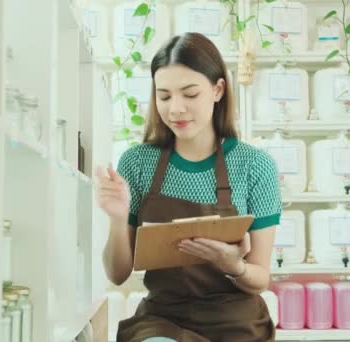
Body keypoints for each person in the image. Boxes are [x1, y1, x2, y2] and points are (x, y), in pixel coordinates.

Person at [96, 32, 282, 342]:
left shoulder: (255, 166)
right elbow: (118, 274)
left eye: (190, 94)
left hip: (235, 322)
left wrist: (233, 264)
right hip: (162, 319)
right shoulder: (137, 163)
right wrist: (117, 219)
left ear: (218, 89)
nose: (176, 109)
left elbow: (260, 277)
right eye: (165, 96)